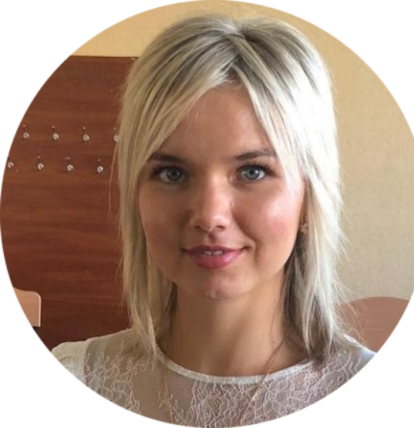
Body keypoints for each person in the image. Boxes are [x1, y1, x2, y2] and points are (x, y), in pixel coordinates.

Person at [51, 13, 377, 425]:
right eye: (172, 173)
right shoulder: (81, 373)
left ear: (309, 197)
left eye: (252, 171)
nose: (209, 216)